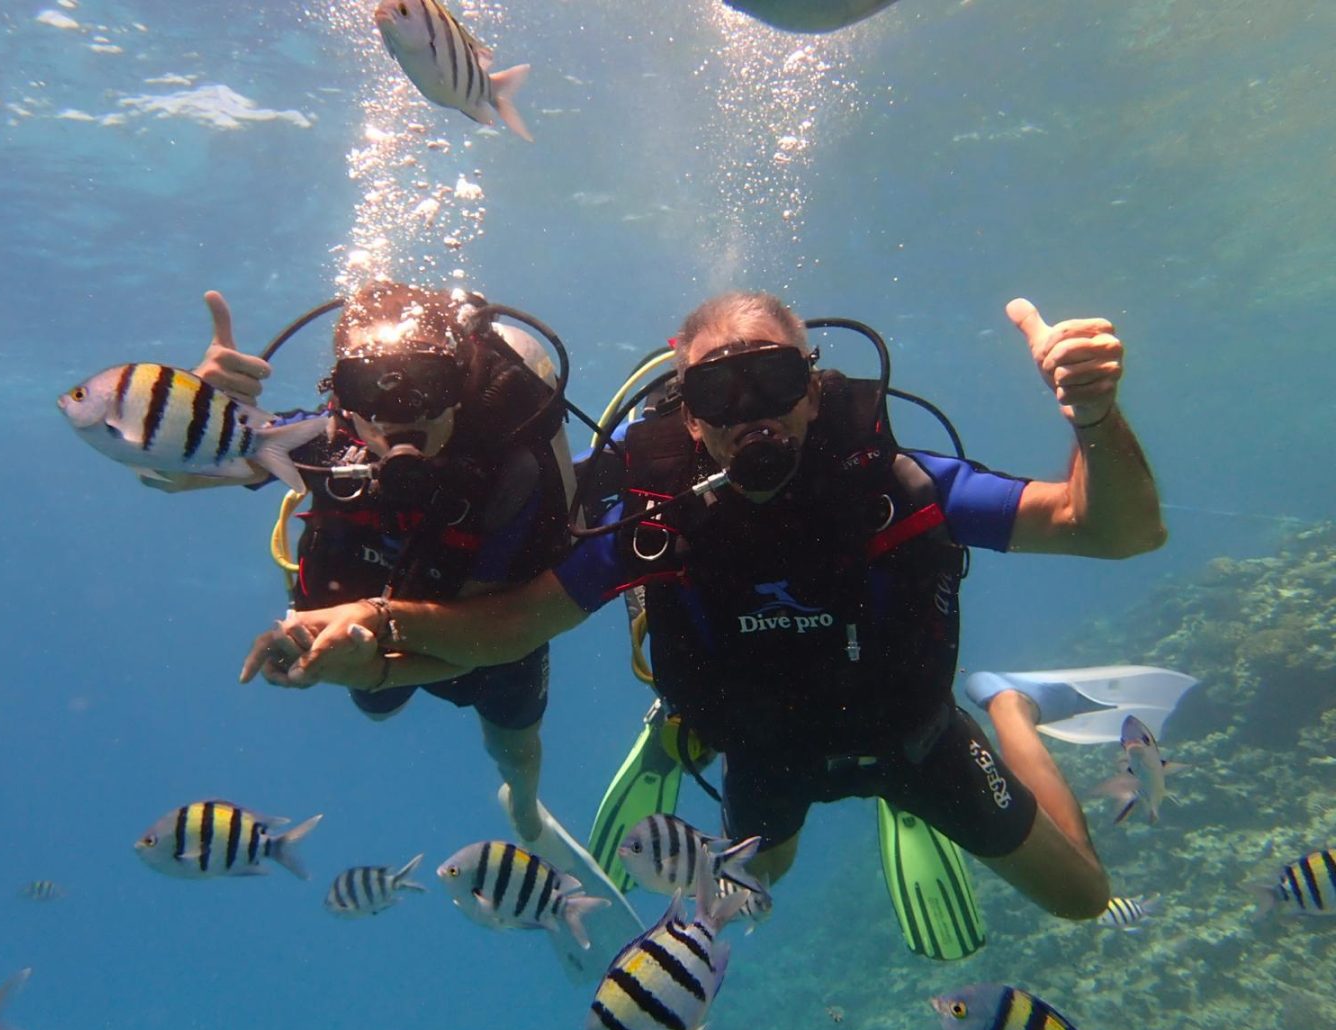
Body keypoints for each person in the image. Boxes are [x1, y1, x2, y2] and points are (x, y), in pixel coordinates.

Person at [255, 290, 1166, 920]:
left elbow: (1110, 529)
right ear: (687, 416)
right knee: (758, 881)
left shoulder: (898, 485)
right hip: (767, 751)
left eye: (769, 383)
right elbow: (510, 629)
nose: (748, 416)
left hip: (921, 734)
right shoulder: (654, 524)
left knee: (1085, 901)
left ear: (814, 388)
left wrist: (1093, 416)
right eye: (715, 394)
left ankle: (1010, 705)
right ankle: (688, 738)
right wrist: (372, 629)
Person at [167, 281, 574, 844]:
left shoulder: (511, 469)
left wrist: (383, 651)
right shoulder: (324, 442)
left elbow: (489, 641)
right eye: (370, 387)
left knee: (514, 744)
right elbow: (168, 476)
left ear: (459, 384)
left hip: (489, 625)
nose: (397, 415)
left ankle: (525, 808)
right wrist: (192, 420)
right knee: (375, 708)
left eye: (425, 383)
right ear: (340, 397)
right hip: (365, 626)